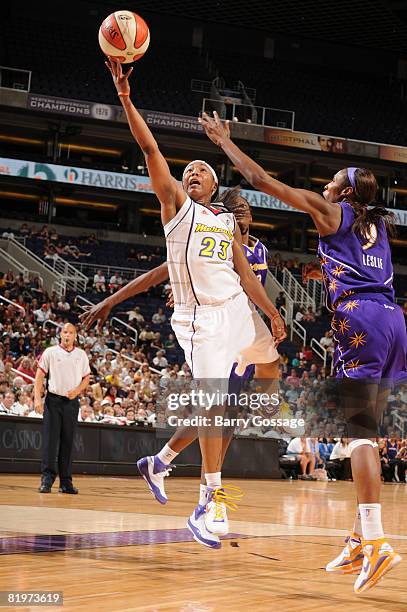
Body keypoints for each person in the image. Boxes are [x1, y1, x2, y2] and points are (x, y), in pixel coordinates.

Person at [81, 57, 285, 549]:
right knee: (213, 405)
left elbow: (244, 275)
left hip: (239, 308)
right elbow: (149, 147)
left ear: (216, 186)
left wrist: (274, 314)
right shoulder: (176, 207)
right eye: (187, 170)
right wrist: (127, 98)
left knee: (270, 373)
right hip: (201, 321)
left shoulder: (226, 223)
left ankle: (161, 462)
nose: (191, 173)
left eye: (200, 171)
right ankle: (208, 502)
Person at [200, 110, 405, 592]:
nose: (325, 185)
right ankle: (358, 540)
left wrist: (225, 143)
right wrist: (323, 275)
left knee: (358, 437)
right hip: (393, 320)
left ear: (347, 192)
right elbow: (359, 268)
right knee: (364, 431)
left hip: (361, 322)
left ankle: (376, 542)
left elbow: (259, 179)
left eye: (333, 181)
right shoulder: (378, 226)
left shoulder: (332, 210)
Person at [34, 323, 90, 494]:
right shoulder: (50, 352)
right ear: (61, 334)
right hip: (53, 401)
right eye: (65, 332)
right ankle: (47, 480)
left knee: (67, 442)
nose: (67, 335)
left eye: (71, 332)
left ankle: (66, 482)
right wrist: (37, 398)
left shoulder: (81, 355)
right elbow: (39, 376)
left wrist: (77, 391)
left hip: (71, 403)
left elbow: (86, 378)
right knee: (50, 442)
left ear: (75, 336)